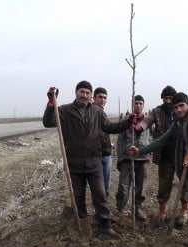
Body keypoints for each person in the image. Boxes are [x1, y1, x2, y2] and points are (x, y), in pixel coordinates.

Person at [128, 92, 188, 247]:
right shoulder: (178, 122)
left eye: (181, 106)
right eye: (175, 107)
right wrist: (140, 150)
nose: (178, 110)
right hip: (187, 169)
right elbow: (162, 139)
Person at [43, 81, 131, 236]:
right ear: (76, 93)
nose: (84, 95)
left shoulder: (97, 111)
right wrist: (51, 102)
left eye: (87, 92)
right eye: (82, 92)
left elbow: (110, 127)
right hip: (74, 163)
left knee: (100, 195)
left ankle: (105, 224)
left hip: (94, 162)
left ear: (91, 95)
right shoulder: (64, 111)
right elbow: (48, 122)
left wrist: (129, 122)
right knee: (78, 196)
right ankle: (82, 222)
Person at [136, 85, 188, 226]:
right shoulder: (157, 111)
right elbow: (147, 120)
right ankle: (162, 211)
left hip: (182, 155)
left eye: (170, 98)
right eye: (165, 98)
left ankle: (184, 211)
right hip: (164, 155)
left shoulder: (180, 111)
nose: (167, 101)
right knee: (164, 185)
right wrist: (140, 126)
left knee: (184, 184)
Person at [115, 95, 150, 221]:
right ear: (132, 105)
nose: (138, 106)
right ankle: (120, 209)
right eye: (136, 103)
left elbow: (154, 137)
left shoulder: (148, 120)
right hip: (126, 159)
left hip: (143, 158)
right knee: (123, 187)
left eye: (140, 103)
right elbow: (120, 140)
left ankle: (138, 209)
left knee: (141, 187)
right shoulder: (125, 120)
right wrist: (120, 158)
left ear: (143, 105)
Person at [93, 87, 112, 198]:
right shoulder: (90, 112)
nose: (103, 100)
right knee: (97, 185)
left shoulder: (103, 113)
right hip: (95, 155)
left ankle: (103, 204)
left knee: (106, 184)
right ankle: (99, 208)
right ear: (94, 98)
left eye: (105, 98)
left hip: (106, 153)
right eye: (100, 97)